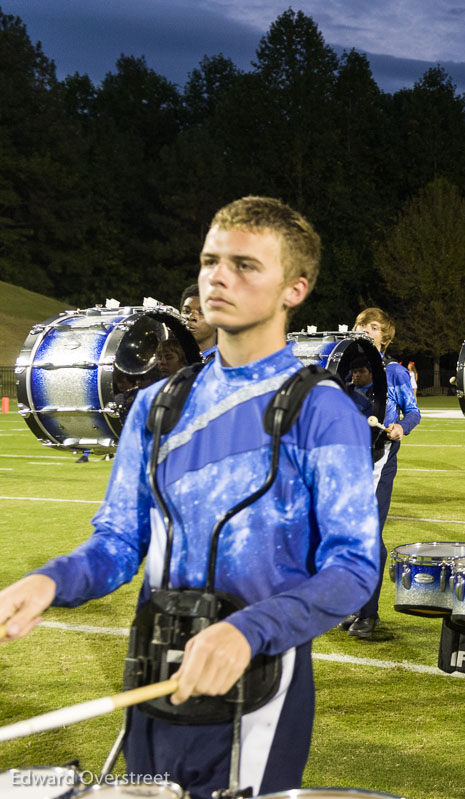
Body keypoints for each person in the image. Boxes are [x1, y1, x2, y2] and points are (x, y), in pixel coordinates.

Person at [0, 196, 380, 797]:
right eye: (210, 260)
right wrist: (49, 582)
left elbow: (354, 568)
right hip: (152, 671)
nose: (218, 277)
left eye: (245, 265)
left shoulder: (322, 408)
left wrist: (250, 629)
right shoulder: (157, 405)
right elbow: (121, 541)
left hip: (257, 683)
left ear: (295, 289)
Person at [339, 307, 421, 639]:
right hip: (346, 458)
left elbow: (413, 412)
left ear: (384, 337)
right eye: (360, 325)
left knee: (369, 534)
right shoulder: (345, 369)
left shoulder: (394, 372)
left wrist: (401, 426)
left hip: (378, 456)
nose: (364, 330)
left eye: (372, 327)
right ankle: (354, 605)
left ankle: (368, 614)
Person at [180, 283, 218, 359]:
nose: (191, 317)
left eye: (202, 312)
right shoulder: (166, 361)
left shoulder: (228, 364)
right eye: (186, 311)